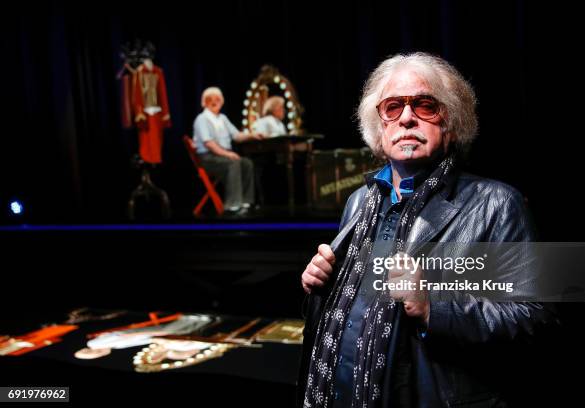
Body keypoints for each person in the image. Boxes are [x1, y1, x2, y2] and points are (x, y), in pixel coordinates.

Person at [297, 53, 558, 407]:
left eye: (424, 106)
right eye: (392, 108)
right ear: (379, 127)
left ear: (450, 124)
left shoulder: (496, 203)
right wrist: (321, 289)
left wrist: (433, 307)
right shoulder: (359, 202)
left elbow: (534, 318)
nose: (406, 118)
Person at [193, 87, 263, 214]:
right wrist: (227, 154)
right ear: (205, 102)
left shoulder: (223, 118)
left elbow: (236, 135)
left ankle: (246, 202)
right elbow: (209, 144)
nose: (214, 101)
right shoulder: (201, 119)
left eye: (217, 98)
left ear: (222, 101)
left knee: (246, 163)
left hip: (222, 156)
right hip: (208, 158)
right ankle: (232, 205)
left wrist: (252, 135)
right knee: (233, 162)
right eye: (210, 99)